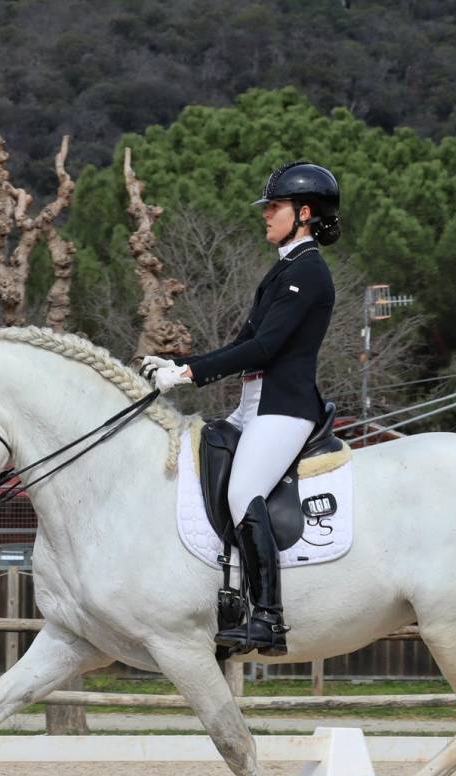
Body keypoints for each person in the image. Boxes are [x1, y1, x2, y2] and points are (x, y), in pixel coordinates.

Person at [140, 161, 341, 656]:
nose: (266, 215)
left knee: (244, 490)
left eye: (274, 207)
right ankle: (225, 598)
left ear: (305, 213)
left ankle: (269, 618)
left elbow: (266, 348)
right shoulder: (283, 270)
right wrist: (179, 363)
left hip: (285, 409)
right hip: (253, 408)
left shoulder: (309, 272)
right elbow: (242, 343)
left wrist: (187, 374)